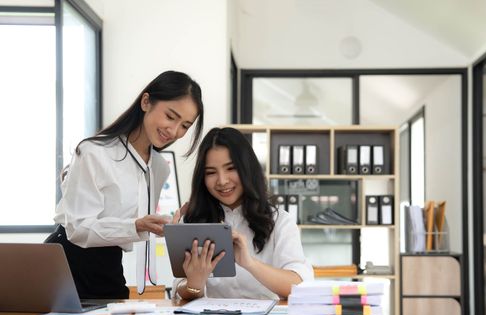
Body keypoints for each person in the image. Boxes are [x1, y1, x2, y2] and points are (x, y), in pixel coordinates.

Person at [50, 70, 204, 299]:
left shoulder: (160, 167)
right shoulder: (94, 152)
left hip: (109, 267)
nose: (174, 131)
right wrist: (138, 225)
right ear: (146, 102)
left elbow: (135, 227)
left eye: (185, 126)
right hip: (66, 264)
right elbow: (78, 229)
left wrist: (168, 228)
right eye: (170, 116)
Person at [175, 127, 314, 300]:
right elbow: (179, 289)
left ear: (247, 168)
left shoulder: (279, 221)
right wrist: (195, 284)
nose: (222, 181)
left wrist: (249, 263)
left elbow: (299, 285)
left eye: (231, 168)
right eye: (211, 172)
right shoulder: (191, 222)